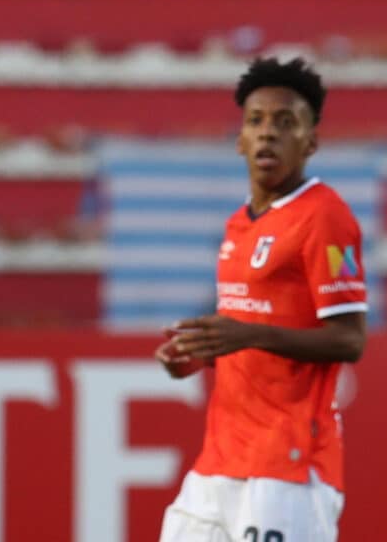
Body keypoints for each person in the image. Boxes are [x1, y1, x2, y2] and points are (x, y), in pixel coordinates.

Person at [156, 57, 367, 542]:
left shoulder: (325, 218)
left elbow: (349, 340)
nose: (268, 133)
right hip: (218, 461)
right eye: (256, 121)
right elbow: (252, 334)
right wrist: (200, 355)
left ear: (310, 142)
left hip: (288, 466)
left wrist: (243, 333)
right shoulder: (238, 225)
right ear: (240, 140)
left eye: (285, 123)